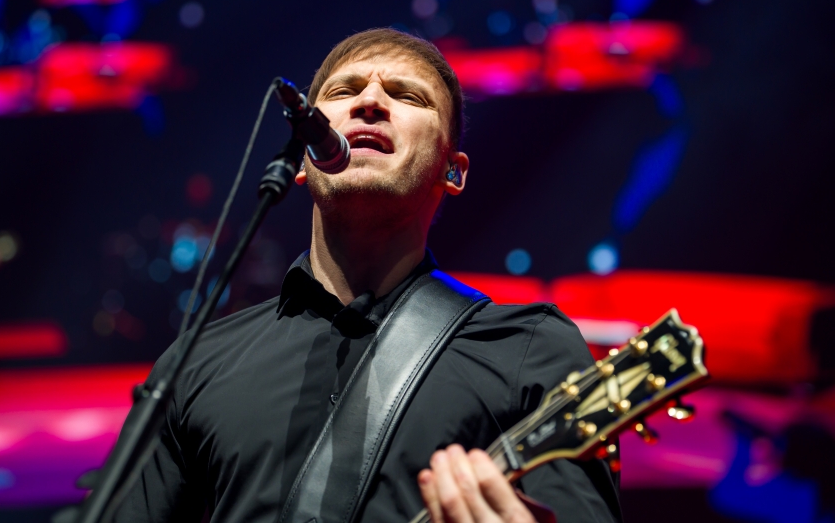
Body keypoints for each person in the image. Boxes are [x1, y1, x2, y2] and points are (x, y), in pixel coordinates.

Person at [114, 28, 622, 523]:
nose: (370, 101)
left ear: (453, 171)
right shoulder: (197, 363)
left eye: (407, 95)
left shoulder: (530, 349)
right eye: (344, 91)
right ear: (303, 159)